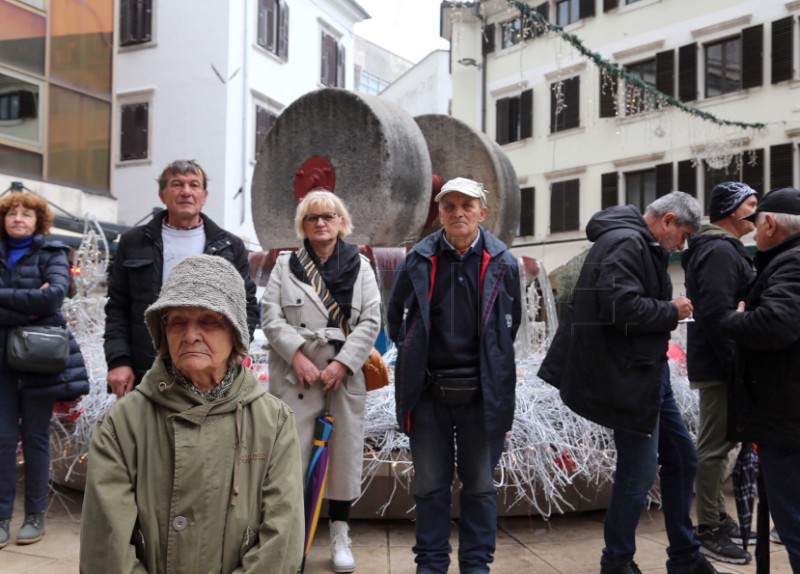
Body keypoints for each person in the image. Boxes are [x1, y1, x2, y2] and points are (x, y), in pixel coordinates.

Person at [81, 254, 304, 573]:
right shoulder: (122, 424)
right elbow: (105, 545)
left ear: (235, 333)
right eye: (178, 322)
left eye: (208, 321)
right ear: (163, 333)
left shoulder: (274, 422)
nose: (190, 335)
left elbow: (281, 541)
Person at [539, 192, 725, 574]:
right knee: (638, 473)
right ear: (667, 220)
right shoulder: (626, 241)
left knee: (682, 458)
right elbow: (618, 307)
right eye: (683, 234)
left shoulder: (634, 240)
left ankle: (685, 555)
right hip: (629, 378)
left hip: (645, 373)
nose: (682, 245)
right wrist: (670, 310)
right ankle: (617, 561)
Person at [387, 177, 521, 574]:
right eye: (449, 206)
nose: (458, 213)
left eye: (467, 205)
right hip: (428, 393)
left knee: (480, 487)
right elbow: (396, 317)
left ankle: (476, 565)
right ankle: (430, 565)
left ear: (483, 211)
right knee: (430, 487)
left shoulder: (503, 261)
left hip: (483, 394)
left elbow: (506, 328)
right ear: (440, 213)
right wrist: (414, 352)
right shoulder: (418, 258)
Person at [262, 190, 380, 574]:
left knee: (343, 460)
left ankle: (340, 534)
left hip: (341, 379)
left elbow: (371, 322)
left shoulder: (361, 265)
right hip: (297, 377)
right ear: (303, 225)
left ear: (341, 221)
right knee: (291, 463)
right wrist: (296, 355)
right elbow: (271, 318)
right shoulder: (286, 265)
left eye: (328, 216)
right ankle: (294, 540)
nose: (321, 223)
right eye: (312, 218)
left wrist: (343, 364)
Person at [104, 159, 259, 398]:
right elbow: (117, 307)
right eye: (177, 184)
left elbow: (246, 306)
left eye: (194, 185)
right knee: (147, 434)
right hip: (146, 367)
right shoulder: (134, 242)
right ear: (162, 195)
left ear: (204, 195)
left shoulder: (229, 246)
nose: (186, 192)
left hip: (211, 368)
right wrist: (119, 361)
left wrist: (234, 354)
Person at [0, 192, 89, 549]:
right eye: (12, 214)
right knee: (4, 440)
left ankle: (35, 515)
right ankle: (3, 516)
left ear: (39, 221)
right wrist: (28, 305)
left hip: (39, 360)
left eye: (26, 214)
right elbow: (39, 302)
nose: (18, 219)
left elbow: (53, 299)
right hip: (1, 363)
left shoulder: (52, 252)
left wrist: (6, 297)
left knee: (35, 439)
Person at [720, 187, 800, 573]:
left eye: (755, 222)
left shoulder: (791, 263)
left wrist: (735, 319)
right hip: (787, 416)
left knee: (794, 523)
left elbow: (775, 324)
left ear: (770, 222)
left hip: (788, 421)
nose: (752, 231)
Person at [681, 182, 758, 565]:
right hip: (720, 364)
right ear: (731, 211)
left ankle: (717, 517)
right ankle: (709, 526)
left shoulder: (720, 249)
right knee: (714, 446)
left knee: (721, 443)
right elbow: (716, 314)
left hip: (719, 361)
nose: (757, 213)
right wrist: (735, 363)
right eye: (750, 205)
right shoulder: (720, 251)